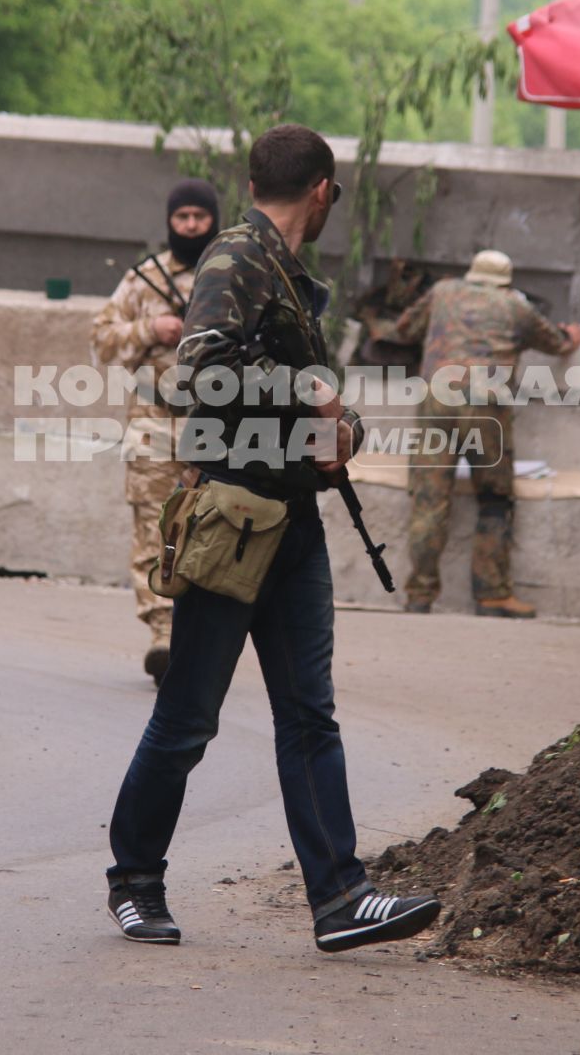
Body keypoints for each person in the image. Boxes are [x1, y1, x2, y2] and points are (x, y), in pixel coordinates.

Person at [104, 123, 440, 954]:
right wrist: (313, 399)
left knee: (308, 716)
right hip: (231, 522)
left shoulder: (282, 273)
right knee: (188, 719)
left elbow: (312, 400)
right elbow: (200, 371)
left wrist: (342, 426)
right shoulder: (234, 259)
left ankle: (339, 897)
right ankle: (134, 882)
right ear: (322, 189)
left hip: (289, 520)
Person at [386, 250, 580, 618]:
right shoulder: (515, 306)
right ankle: (492, 594)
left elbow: (403, 328)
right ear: (505, 281)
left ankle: (419, 594)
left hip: (437, 401)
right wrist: (571, 336)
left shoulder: (443, 291)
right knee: (494, 497)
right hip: (485, 406)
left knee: (429, 499)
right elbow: (557, 343)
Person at [89, 180, 219, 684]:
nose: (190, 226)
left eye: (199, 218)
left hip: (215, 422)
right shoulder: (144, 279)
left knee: (209, 529)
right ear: (170, 220)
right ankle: (163, 634)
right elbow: (100, 337)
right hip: (154, 422)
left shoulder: (227, 277)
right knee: (153, 528)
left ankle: (200, 635)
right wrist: (150, 330)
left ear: (213, 220)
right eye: (182, 217)